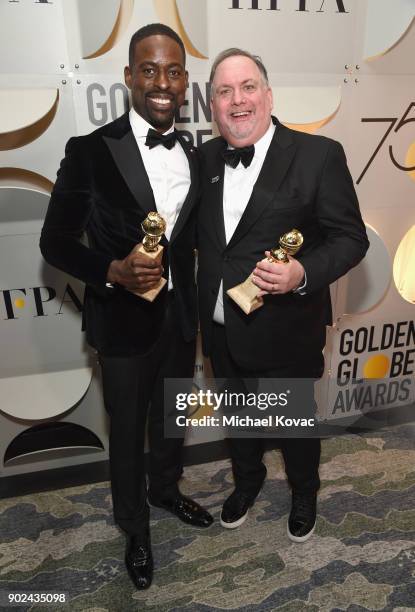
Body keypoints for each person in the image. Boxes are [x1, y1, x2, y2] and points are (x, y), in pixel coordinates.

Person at [40, 23, 213, 590]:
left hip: (179, 316)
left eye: (172, 72)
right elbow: (55, 242)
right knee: (129, 429)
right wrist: (110, 270)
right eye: (148, 70)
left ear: (185, 82)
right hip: (121, 321)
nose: (161, 83)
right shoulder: (90, 151)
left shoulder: (195, 150)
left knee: (170, 419)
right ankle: (134, 527)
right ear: (129, 78)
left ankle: (165, 491)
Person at [197, 48, 369, 542]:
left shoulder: (319, 154)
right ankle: (247, 482)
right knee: (238, 420)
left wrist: (302, 272)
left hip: (285, 328)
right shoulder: (204, 158)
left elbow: (350, 239)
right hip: (221, 326)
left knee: (295, 424)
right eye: (224, 91)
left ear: (269, 96)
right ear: (213, 106)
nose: (237, 100)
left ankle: (303, 492)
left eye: (247, 87)